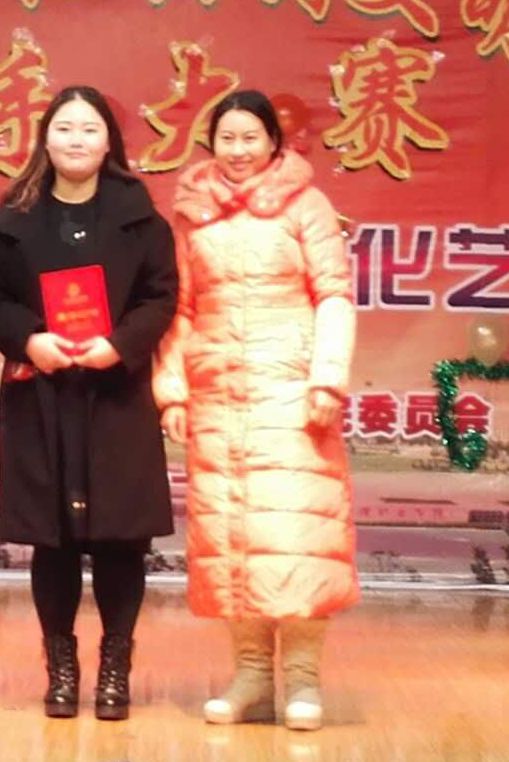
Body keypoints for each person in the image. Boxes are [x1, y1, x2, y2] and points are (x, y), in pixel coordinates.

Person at [153, 89, 357, 731]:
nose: (238, 151)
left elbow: (333, 295)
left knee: (295, 538)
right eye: (227, 138)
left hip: (291, 393)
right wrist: (173, 391)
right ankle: (250, 677)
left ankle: (303, 680)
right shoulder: (194, 214)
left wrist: (327, 379)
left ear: (273, 142)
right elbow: (181, 308)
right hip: (217, 396)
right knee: (232, 540)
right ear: (211, 143)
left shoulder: (307, 204)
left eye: (250, 138)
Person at [0, 86, 178, 719]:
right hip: (43, 391)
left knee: (121, 540)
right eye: (64, 128)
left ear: (109, 140)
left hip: (116, 392)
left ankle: (115, 668)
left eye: (90, 129)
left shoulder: (141, 217)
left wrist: (119, 346)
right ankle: (60, 668)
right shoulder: (15, 218)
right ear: (46, 138)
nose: (77, 140)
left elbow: (160, 297)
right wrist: (30, 340)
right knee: (53, 541)